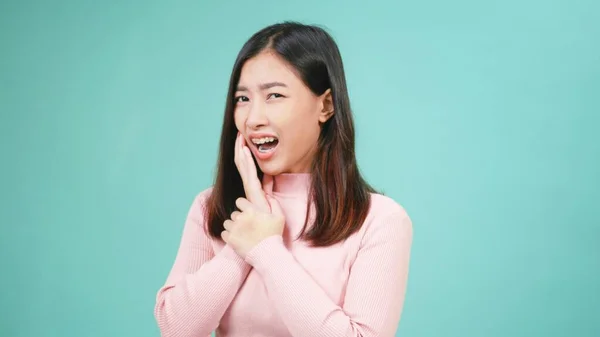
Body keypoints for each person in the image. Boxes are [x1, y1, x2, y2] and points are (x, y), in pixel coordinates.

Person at [154, 21, 413, 337]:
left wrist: (265, 249)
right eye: (242, 99)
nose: (253, 119)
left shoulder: (379, 220)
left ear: (326, 105)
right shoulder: (212, 206)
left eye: (274, 95)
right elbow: (176, 329)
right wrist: (242, 244)